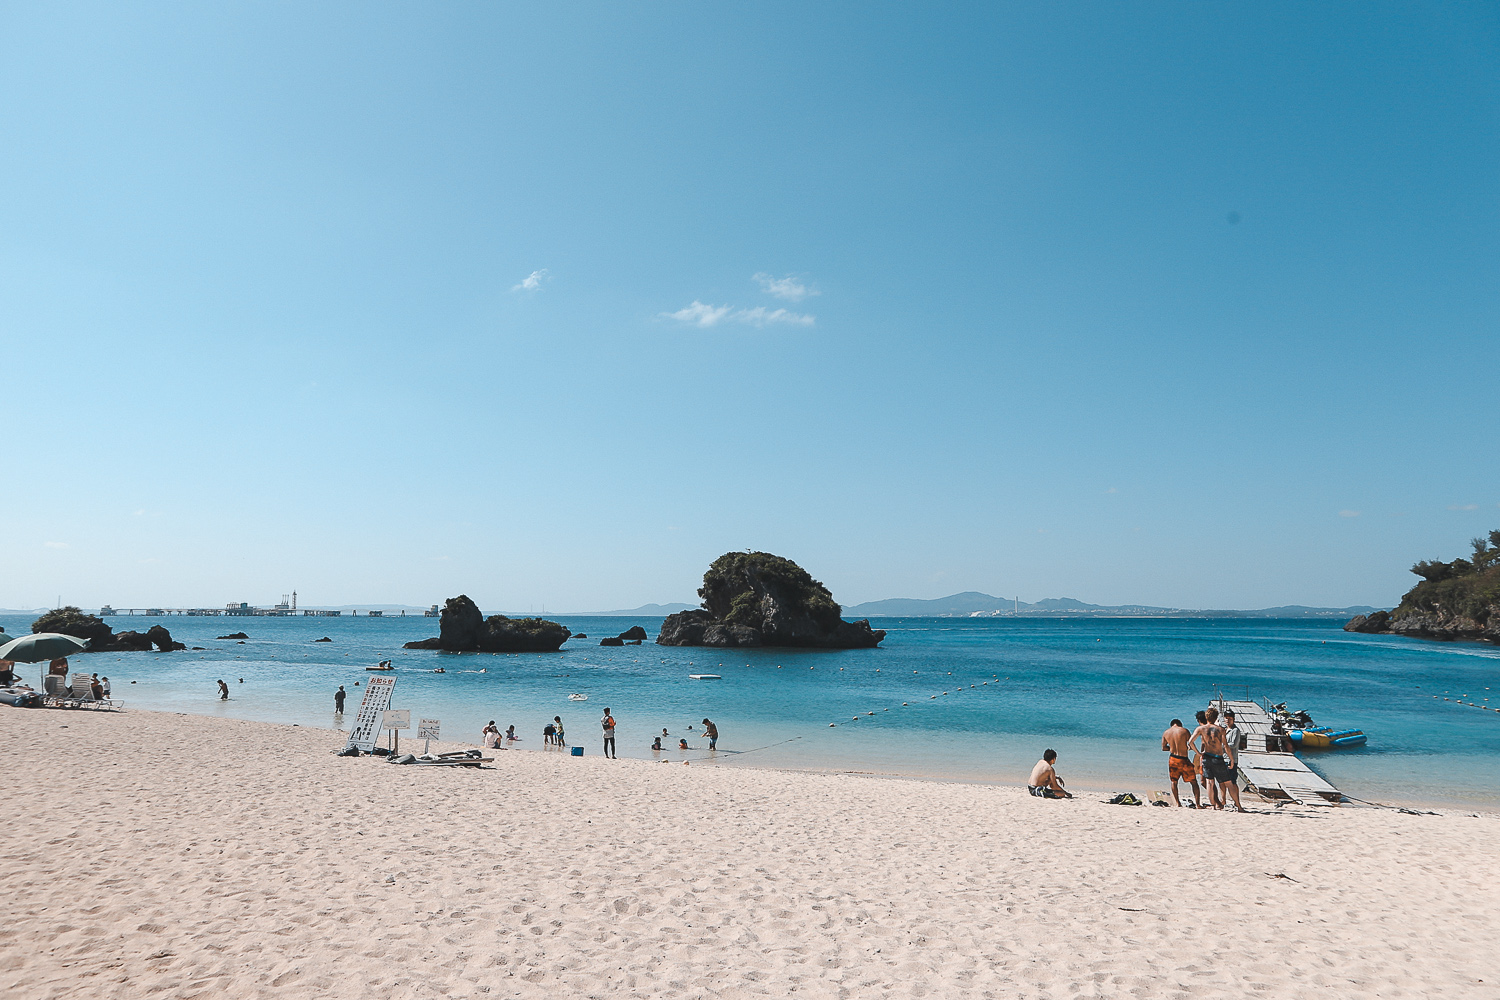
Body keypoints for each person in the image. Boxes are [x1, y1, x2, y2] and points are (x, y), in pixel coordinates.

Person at [1190, 708, 1233, 811]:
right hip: (1217, 757)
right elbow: (1225, 745)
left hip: (1206, 757)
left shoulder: (1202, 729)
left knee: (1208, 782)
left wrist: (1199, 754)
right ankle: (1221, 802)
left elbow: (1191, 742)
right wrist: (1231, 759)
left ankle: (1215, 803)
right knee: (1222, 782)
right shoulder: (1219, 729)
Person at [1161, 718, 1201, 808]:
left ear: (1172, 725)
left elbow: (1164, 748)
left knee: (1174, 782)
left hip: (1173, 759)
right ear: (1180, 724)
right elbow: (1191, 744)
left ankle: (1177, 803)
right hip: (1184, 759)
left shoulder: (1166, 732)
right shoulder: (1184, 731)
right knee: (1194, 782)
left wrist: (1172, 748)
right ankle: (1198, 804)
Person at [1216, 710, 1248, 813]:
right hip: (1222, 758)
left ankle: (1237, 802)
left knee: (1232, 782)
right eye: (1226, 718)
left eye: (1230, 718)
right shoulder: (1224, 729)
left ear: (1233, 719)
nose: (1228, 720)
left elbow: (1233, 744)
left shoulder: (1235, 730)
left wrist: (1221, 745)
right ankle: (1223, 800)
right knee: (1221, 782)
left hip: (1231, 759)